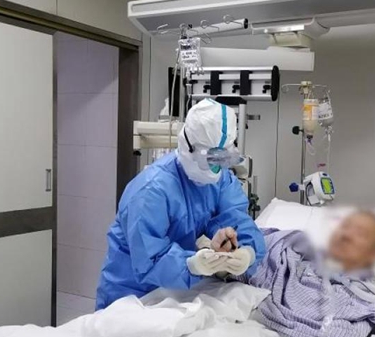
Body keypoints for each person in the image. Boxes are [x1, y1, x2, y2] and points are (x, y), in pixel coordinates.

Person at [96, 99, 266, 309]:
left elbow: (236, 218)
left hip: (176, 290)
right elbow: (149, 259)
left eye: (220, 159)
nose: (214, 170)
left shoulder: (221, 181)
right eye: (208, 160)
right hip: (131, 293)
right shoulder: (151, 190)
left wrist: (245, 251)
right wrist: (192, 264)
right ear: (188, 147)